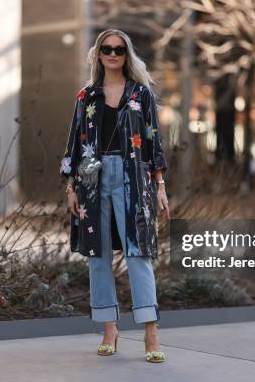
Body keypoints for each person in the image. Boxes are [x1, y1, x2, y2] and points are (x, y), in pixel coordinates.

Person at [59, 29, 169, 363]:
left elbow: (153, 141)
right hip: (93, 180)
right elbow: (74, 144)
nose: (112, 54)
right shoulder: (86, 97)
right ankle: (109, 329)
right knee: (98, 255)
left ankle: (150, 332)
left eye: (119, 49)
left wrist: (160, 185)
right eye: (106, 49)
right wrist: (70, 187)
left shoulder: (141, 95)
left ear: (127, 54)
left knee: (139, 252)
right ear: (98, 54)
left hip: (133, 176)